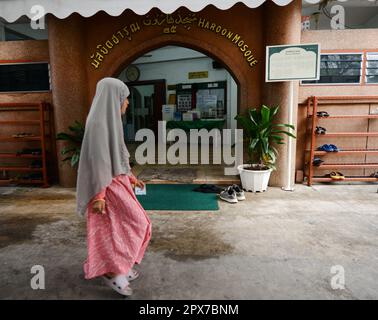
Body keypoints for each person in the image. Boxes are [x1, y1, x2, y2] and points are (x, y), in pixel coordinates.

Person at [76, 77, 151, 296]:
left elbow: (118, 156)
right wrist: (99, 196)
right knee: (127, 226)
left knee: (124, 228)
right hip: (107, 188)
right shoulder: (99, 125)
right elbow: (98, 162)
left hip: (118, 183)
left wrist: (132, 177)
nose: (127, 103)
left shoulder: (110, 122)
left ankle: (121, 267)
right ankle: (111, 274)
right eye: (124, 99)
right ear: (113, 99)